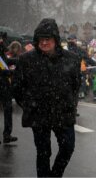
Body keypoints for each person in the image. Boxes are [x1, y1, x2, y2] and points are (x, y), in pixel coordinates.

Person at [13, 18, 81, 177]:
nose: (44, 43)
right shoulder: (26, 60)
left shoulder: (71, 59)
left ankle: (55, 175)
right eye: (40, 39)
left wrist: (69, 102)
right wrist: (29, 104)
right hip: (39, 113)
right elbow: (17, 87)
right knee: (43, 152)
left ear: (55, 40)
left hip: (63, 112)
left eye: (47, 39)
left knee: (67, 147)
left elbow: (76, 84)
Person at [0, 32, 18, 144]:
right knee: (7, 109)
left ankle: (7, 134)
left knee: (8, 109)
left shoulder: (1, 50)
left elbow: (4, 62)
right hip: (3, 81)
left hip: (4, 84)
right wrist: (10, 72)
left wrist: (19, 60)